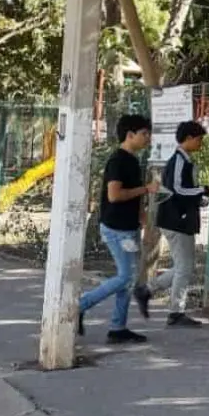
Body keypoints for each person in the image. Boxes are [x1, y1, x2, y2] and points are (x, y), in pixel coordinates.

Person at [79, 114, 160, 344]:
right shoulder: (118, 160)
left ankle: (118, 327)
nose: (148, 138)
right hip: (116, 228)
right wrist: (145, 189)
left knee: (130, 277)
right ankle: (80, 305)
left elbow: (135, 196)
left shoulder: (133, 160)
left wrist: (143, 219)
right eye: (144, 134)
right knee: (125, 276)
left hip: (129, 227)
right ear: (130, 135)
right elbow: (114, 195)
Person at [135, 121, 209, 327]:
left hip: (178, 219)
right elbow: (178, 190)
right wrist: (205, 190)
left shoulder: (184, 160)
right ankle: (175, 311)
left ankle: (147, 290)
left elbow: (184, 191)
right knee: (184, 268)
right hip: (177, 220)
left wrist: (199, 197)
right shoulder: (180, 160)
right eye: (198, 139)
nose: (200, 144)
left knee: (183, 267)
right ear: (188, 138)